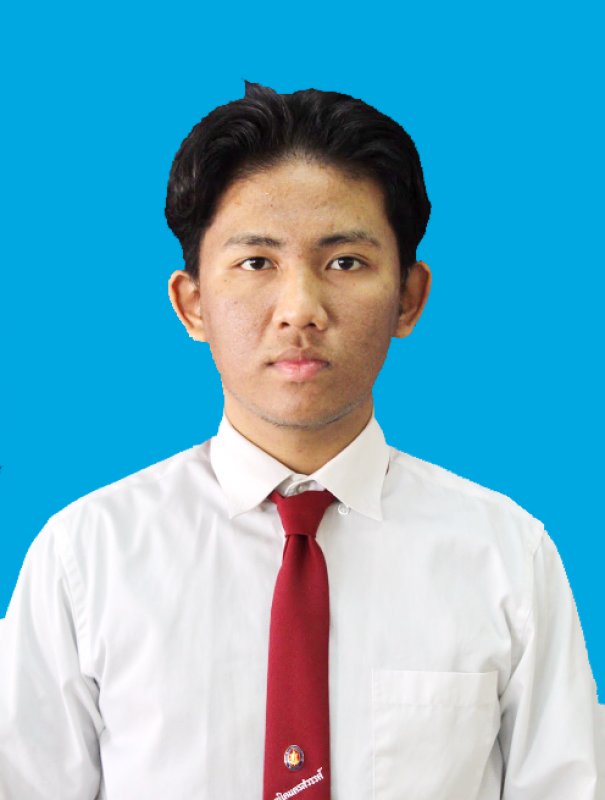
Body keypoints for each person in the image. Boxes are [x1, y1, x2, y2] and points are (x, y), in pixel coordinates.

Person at [0, 81, 601, 800]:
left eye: (344, 262)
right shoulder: (85, 558)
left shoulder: (506, 554)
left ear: (409, 297)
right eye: (257, 262)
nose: (300, 310)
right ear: (192, 303)